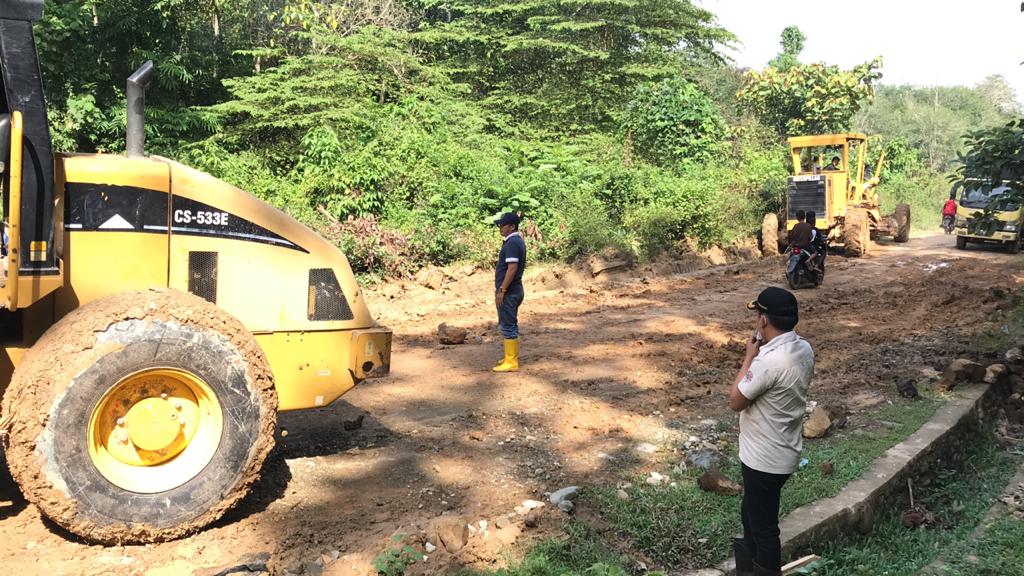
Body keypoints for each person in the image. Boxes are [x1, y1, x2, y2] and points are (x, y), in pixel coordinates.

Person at [729, 288, 815, 576]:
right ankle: (748, 570)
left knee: (764, 529)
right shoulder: (803, 349)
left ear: (763, 319)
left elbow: (736, 400)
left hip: (763, 460)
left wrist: (749, 357)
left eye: (757, 315)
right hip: (783, 452)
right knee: (751, 515)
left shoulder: (767, 362)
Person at [492, 212, 527, 372]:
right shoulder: (515, 241)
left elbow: (512, 269)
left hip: (510, 291)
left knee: (508, 325)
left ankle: (511, 362)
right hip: (514, 289)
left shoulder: (512, 243)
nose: (500, 228)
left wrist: (502, 290)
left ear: (512, 226)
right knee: (510, 323)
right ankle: (509, 357)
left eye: (503, 225)